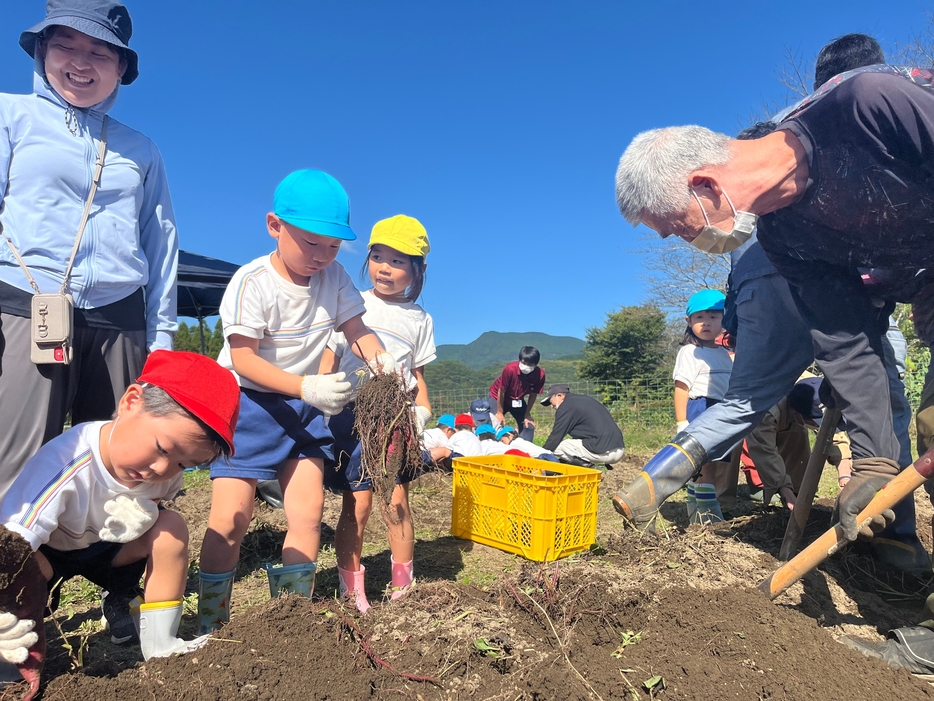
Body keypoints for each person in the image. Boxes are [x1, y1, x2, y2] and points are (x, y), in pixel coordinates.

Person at [612, 42, 934, 544]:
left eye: (677, 227)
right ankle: (905, 558)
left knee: (747, 399)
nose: (688, 242)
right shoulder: (785, 235)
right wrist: (872, 456)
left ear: (706, 185)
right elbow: (846, 337)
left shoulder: (872, 103)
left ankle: (900, 549)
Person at [195, 170, 395, 633]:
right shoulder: (252, 282)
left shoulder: (335, 277)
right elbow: (242, 358)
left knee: (307, 516)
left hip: (306, 412)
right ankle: (212, 622)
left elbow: (356, 331)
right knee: (231, 518)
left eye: (332, 247)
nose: (321, 257)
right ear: (274, 225)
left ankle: (291, 623)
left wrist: (384, 362)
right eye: (311, 243)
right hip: (250, 407)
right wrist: (304, 386)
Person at [0, 0, 179, 498]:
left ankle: (114, 571)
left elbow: (160, 244)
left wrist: (161, 338)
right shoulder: (9, 115)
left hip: (119, 318)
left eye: (100, 51)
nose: (81, 62)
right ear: (40, 50)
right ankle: (17, 572)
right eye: (66, 45)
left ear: (121, 67)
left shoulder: (141, 149)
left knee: (123, 464)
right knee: (18, 462)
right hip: (22, 304)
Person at [0, 350, 238, 682]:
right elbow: (14, 545)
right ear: (130, 402)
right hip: (49, 554)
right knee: (22, 571)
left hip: (108, 548)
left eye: (183, 464)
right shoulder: (66, 463)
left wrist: (146, 511)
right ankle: (12, 659)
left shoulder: (165, 472)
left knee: (171, 527)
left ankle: (160, 644)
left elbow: (159, 505)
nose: (163, 469)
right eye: (163, 449)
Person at [318, 214, 435, 615]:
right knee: (360, 503)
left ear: (417, 270)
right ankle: (351, 586)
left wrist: (422, 411)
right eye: (379, 256)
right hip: (352, 415)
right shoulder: (354, 301)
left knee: (397, 501)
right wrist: (321, 392)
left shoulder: (420, 319)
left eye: (399, 260)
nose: (385, 267)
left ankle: (405, 585)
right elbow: (330, 354)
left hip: (393, 420)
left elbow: (417, 375)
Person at [671, 290, 734, 523]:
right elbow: (681, 388)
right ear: (689, 322)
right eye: (699, 318)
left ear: (724, 321)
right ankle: (708, 516)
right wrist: (682, 422)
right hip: (700, 408)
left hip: (721, 410)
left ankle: (693, 510)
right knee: (704, 465)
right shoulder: (690, 352)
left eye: (713, 317)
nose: (706, 323)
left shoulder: (724, 354)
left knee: (713, 466)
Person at [541, 384, 625, 466]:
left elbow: (556, 436)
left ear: (559, 396)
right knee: (570, 446)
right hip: (619, 448)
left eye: (551, 401)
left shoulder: (565, 407)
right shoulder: (585, 399)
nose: (551, 406)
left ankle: (586, 467)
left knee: (559, 447)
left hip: (602, 450)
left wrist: (540, 454)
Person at [489, 347, 545, 440]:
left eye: (530, 364)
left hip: (517, 399)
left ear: (536, 364)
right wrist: (499, 412)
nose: (526, 366)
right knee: (496, 423)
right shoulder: (510, 369)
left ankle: (525, 449)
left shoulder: (540, 375)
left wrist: (527, 414)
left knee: (528, 425)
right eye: (523, 363)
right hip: (497, 397)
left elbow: (533, 394)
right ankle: (495, 448)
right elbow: (501, 391)